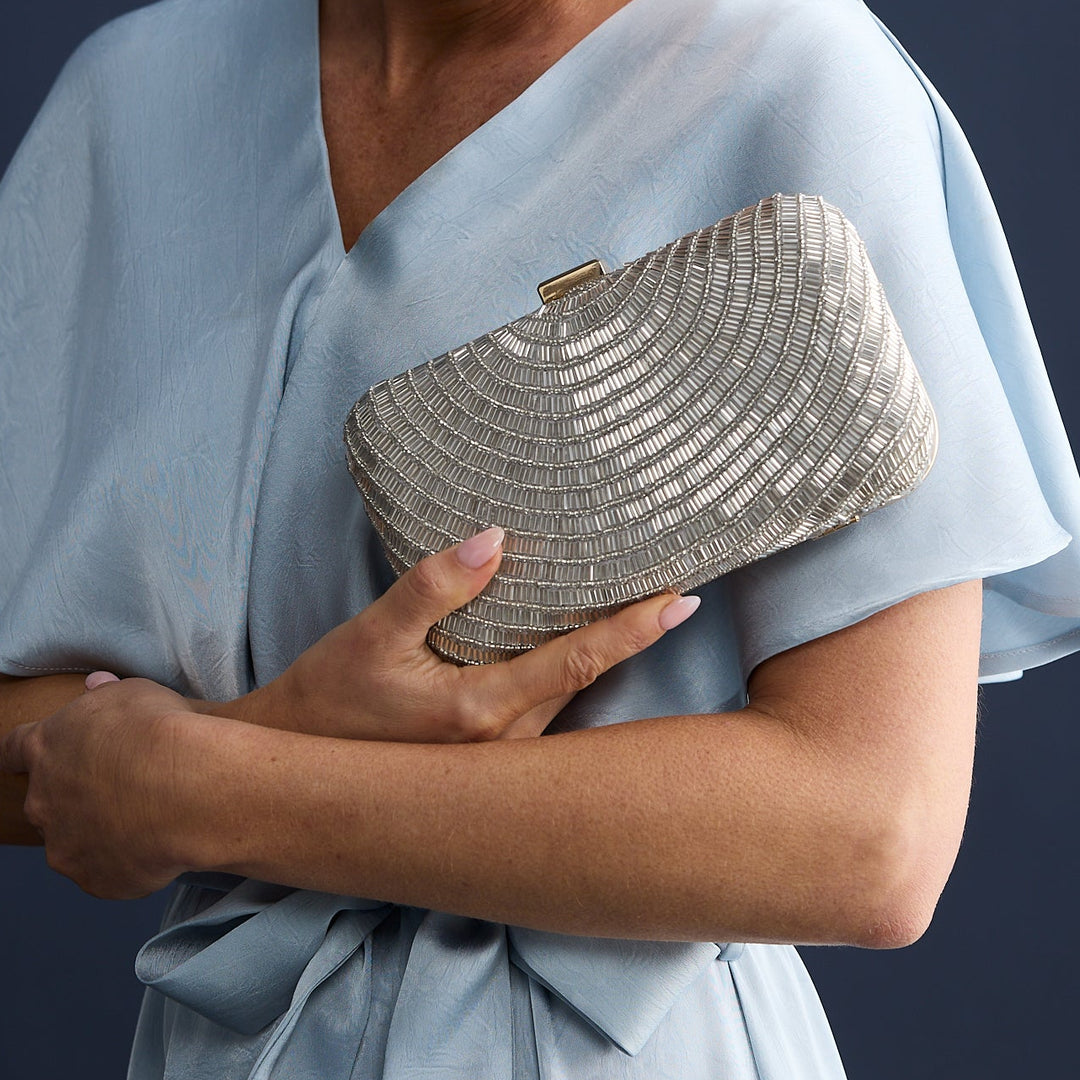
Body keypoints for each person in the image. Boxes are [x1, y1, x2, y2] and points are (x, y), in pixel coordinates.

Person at [2, 0, 1079, 1077]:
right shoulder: (137, 93)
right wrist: (270, 728)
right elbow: (43, 751)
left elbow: (868, 838)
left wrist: (219, 789)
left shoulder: (797, 71)